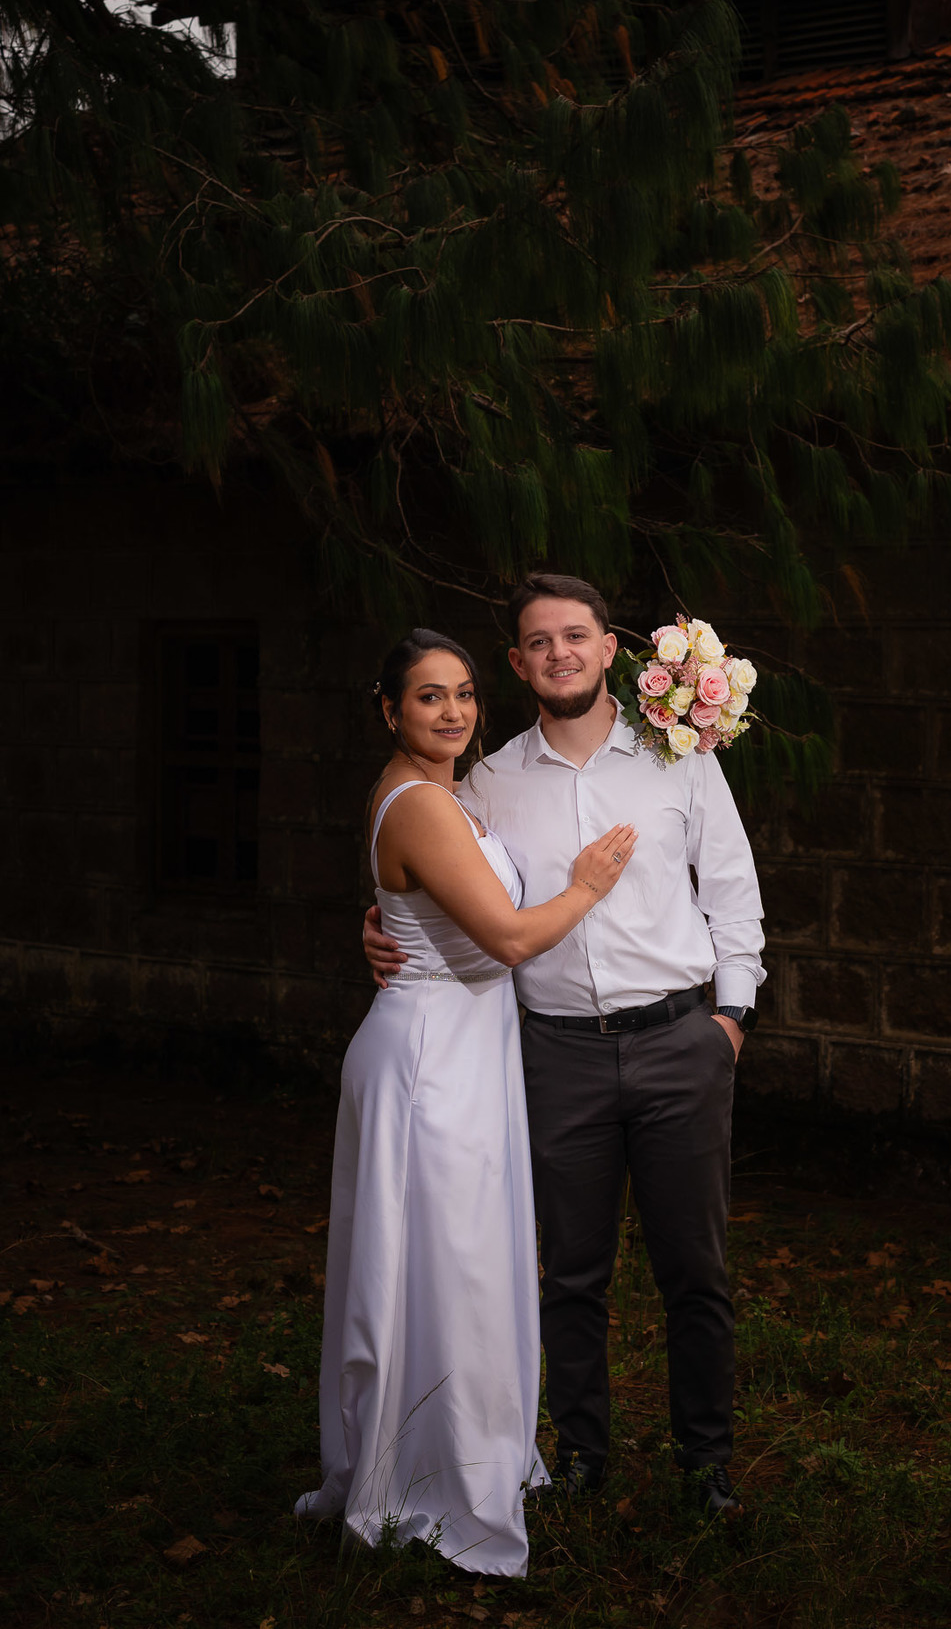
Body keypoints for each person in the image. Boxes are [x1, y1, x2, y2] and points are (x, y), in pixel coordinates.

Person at [364, 577, 765, 1518]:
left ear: (610, 648)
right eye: (539, 642)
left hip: (680, 1043)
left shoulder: (680, 760)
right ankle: (582, 1458)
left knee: (695, 1272)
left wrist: (731, 1020)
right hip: (554, 1058)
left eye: (575, 636)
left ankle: (706, 1465)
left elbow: (733, 889)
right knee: (570, 1274)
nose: (560, 654)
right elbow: (439, 878)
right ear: (518, 663)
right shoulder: (488, 782)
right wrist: (379, 924)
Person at [295, 628, 636, 1575]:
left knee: (460, 1265)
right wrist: (587, 887)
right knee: (445, 1271)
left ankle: (460, 1456)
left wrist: (382, 919)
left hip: (465, 1049)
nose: (452, 712)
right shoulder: (418, 803)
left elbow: (424, 903)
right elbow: (509, 940)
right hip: (429, 1064)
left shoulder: (446, 793)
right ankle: (430, 1477)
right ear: (389, 709)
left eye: (464, 693)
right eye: (428, 696)